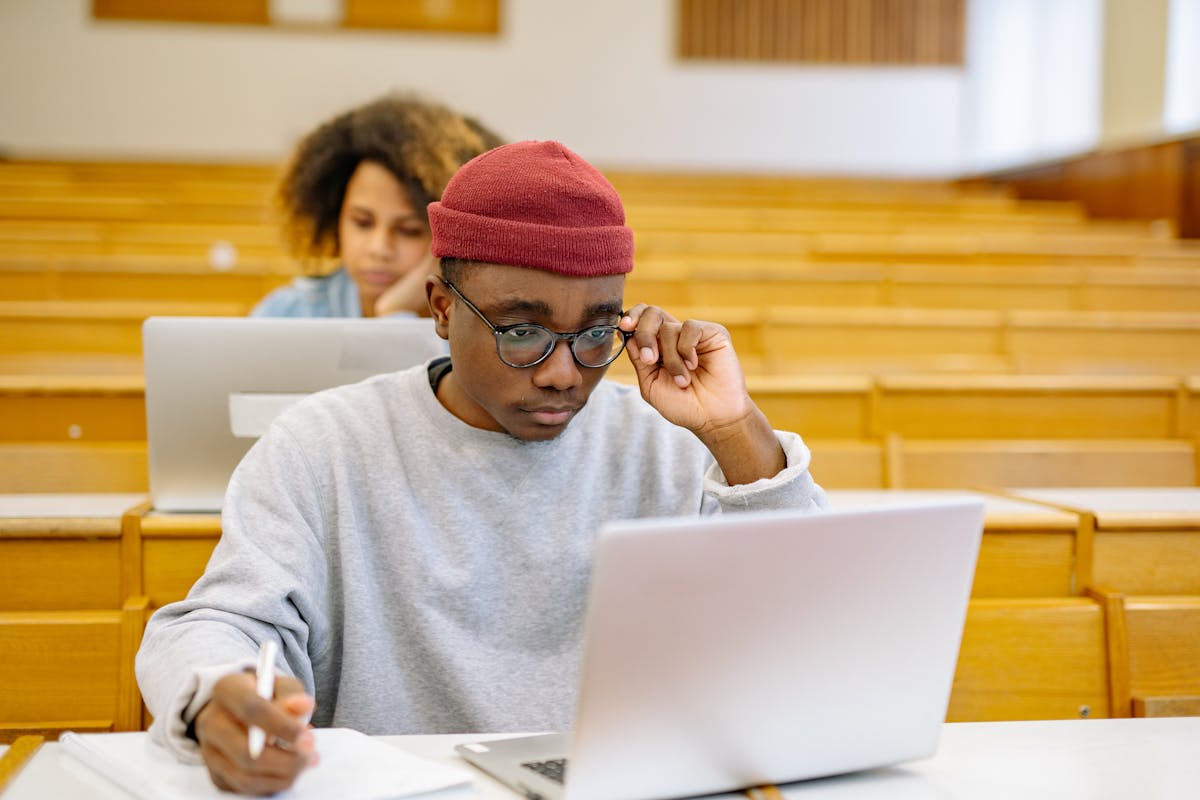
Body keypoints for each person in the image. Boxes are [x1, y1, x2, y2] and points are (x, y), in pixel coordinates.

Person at [137, 140, 828, 795]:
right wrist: (215, 692)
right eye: (521, 331)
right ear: (442, 308)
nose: (563, 374)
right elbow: (215, 624)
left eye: (595, 334)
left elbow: (814, 623)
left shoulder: (670, 445)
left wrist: (734, 429)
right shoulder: (323, 445)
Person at [252, 93, 503, 318]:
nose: (379, 248)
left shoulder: (479, 328)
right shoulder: (286, 313)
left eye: (409, 230)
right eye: (362, 223)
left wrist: (394, 313)